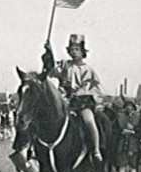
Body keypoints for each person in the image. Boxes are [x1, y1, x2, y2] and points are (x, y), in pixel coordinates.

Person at [44, 34, 104, 162]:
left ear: (83, 52)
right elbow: (52, 70)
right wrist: (49, 52)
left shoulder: (88, 70)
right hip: (64, 100)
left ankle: (96, 149)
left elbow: (89, 87)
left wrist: (77, 95)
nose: (74, 52)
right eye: (72, 50)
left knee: (88, 120)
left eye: (77, 50)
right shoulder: (65, 65)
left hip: (81, 102)